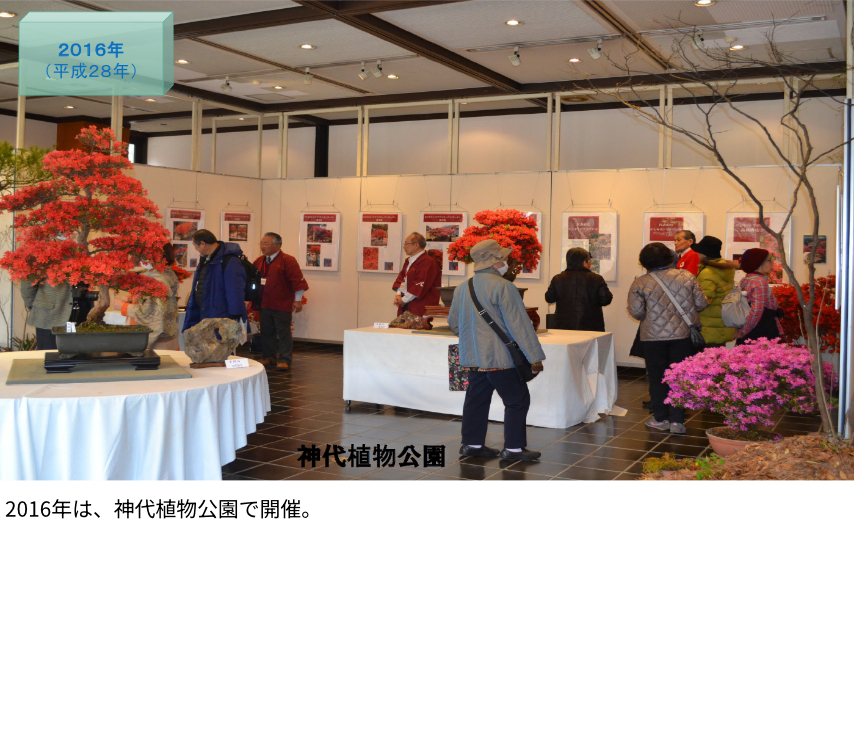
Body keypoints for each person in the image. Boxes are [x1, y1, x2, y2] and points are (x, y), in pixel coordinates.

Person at [448, 239, 546, 462]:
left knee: (476, 400)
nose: (506, 263)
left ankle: (472, 445)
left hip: (473, 358)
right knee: (517, 400)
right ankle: (514, 449)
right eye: (503, 259)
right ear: (494, 261)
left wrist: (473, 340)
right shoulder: (504, 286)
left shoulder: (462, 288)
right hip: (500, 358)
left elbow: (454, 324)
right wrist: (534, 358)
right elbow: (520, 325)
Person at [627, 242, 708, 435]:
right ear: (669, 258)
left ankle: (660, 419)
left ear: (644, 261)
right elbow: (701, 303)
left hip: (652, 337)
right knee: (680, 377)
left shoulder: (640, 282)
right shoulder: (687, 276)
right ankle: (677, 422)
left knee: (657, 378)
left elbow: (636, 312)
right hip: (683, 336)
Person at [252, 232, 309, 371]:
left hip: (281, 303)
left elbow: (298, 281)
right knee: (266, 331)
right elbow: (252, 280)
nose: (262, 246)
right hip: (264, 302)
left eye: (266, 243)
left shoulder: (288, 260)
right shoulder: (259, 261)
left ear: (277, 245)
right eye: (261, 243)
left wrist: (298, 300)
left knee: (283, 332)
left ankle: (284, 359)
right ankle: (269, 356)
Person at [117, 243, 181, 350]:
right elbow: (155, 303)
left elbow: (155, 314)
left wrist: (124, 307)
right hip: (165, 341)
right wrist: (133, 298)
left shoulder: (158, 280)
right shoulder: (166, 274)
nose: (142, 258)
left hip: (158, 345)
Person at [183, 229, 247, 332]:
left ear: (203, 244)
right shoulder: (206, 259)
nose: (195, 248)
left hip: (222, 315)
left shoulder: (230, 260)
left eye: (195, 245)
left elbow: (235, 289)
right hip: (207, 311)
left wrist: (236, 316)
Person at [544, 247, 613, 331]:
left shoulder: (557, 278)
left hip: (563, 327)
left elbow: (549, 298)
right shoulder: (596, 278)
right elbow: (606, 300)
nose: (590, 263)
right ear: (584, 262)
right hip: (591, 327)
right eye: (589, 261)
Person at [694, 235, 738, 348]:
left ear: (704, 254)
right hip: (721, 322)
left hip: (709, 325)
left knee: (706, 357)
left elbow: (704, 300)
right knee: (718, 356)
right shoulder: (723, 268)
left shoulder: (707, 272)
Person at [734, 247, 783, 344]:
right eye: (769, 260)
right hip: (761, 330)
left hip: (751, 328)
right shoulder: (759, 282)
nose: (772, 263)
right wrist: (744, 331)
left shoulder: (745, 279)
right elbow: (757, 310)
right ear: (759, 263)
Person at [392, 232, 441, 317]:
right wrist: (398, 295)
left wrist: (404, 300)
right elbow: (402, 278)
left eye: (406, 244)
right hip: (406, 303)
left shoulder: (427, 261)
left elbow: (420, 284)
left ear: (416, 245)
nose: (404, 246)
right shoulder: (408, 261)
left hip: (420, 306)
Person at [19, 280, 73, 350]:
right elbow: (28, 285)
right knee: (48, 353)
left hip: (81, 313)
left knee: (80, 353)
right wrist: (36, 307)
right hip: (48, 315)